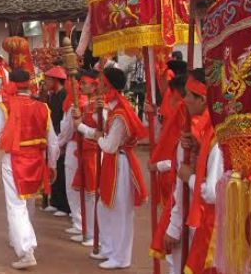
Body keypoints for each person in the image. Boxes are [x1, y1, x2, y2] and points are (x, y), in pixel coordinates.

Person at [0, 69, 59, 270]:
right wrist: (52, 165)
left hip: (15, 161)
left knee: (16, 205)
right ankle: (18, 237)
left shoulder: (6, 106)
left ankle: (26, 249)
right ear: (29, 84)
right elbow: (53, 142)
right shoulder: (43, 107)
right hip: (36, 160)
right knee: (27, 202)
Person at [78, 67, 147, 270]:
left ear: (108, 85)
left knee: (119, 212)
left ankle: (121, 256)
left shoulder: (120, 114)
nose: (97, 84)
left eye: (100, 81)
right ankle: (109, 248)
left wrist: (95, 135)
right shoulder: (112, 107)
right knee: (104, 207)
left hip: (120, 164)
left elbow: (109, 145)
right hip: (112, 162)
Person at [162, 69, 222, 274]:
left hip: (207, 223)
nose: (184, 99)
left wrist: (190, 177)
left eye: (188, 94)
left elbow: (213, 192)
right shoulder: (205, 133)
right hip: (199, 217)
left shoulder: (216, 139)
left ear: (203, 99)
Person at [148, 73, 187, 266]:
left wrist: (159, 165)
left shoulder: (191, 127)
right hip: (177, 190)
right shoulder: (179, 117)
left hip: (190, 200)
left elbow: (183, 169)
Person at [59, 69, 99, 246]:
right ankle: (82, 225)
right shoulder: (84, 103)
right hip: (79, 147)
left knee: (87, 191)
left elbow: (70, 129)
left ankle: (86, 226)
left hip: (87, 149)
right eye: (79, 83)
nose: (80, 86)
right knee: (77, 189)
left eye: (84, 83)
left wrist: (59, 144)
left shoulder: (87, 104)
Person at [44, 65, 70, 217]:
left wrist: (61, 140)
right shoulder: (52, 95)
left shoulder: (64, 96)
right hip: (52, 136)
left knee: (61, 170)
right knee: (52, 167)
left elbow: (64, 122)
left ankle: (64, 206)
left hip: (60, 137)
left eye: (48, 79)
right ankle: (54, 201)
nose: (45, 82)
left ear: (55, 80)